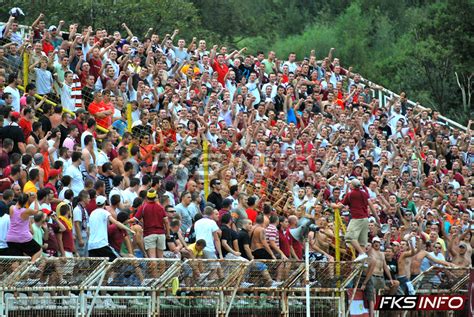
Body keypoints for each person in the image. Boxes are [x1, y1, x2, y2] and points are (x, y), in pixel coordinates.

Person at [333, 179, 379, 261]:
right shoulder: (365, 194)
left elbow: (341, 206)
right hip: (365, 219)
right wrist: (376, 218)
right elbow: (371, 205)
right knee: (362, 242)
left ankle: (362, 254)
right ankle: (362, 261)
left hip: (357, 218)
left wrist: (333, 205)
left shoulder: (350, 194)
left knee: (349, 237)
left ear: (352, 186)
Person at [87, 195, 135, 261]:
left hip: (91, 245)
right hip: (102, 244)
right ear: (104, 203)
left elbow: (88, 230)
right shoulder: (105, 212)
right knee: (117, 261)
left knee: (96, 267)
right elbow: (117, 223)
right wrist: (129, 229)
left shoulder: (92, 213)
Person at [6, 193, 42, 261]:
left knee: (16, 260)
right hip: (23, 237)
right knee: (38, 250)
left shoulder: (11, 208)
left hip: (11, 238)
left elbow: (17, 205)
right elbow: (37, 211)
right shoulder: (26, 211)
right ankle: (31, 266)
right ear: (26, 202)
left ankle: (18, 272)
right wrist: (35, 199)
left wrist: (23, 196)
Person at [134, 189, 169, 258]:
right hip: (161, 234)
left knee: (152, 258)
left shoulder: (143, 207)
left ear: (147, 197)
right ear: (155, 197)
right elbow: (166, 222)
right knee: (161, 257)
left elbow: (135, 219)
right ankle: (162, 269)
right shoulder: (160, 207)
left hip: (149, 234)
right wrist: (168, 234)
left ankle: (154, 269)